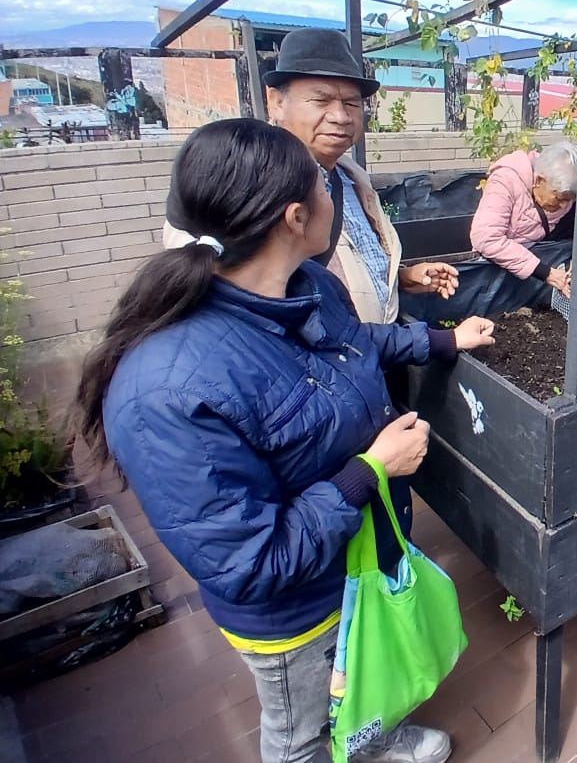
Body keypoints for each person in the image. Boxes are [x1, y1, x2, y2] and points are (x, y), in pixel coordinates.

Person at [74, 119, 496, 763]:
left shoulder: (309, 287)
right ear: (297, 215)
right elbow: (250, 564)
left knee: (355, 680)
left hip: (355, 557)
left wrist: (440, 340)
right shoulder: (167, 388)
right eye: (327, 190)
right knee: (303, 730)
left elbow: (354, 347)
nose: (338, 199)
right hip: (297, 613)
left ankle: (371, 737)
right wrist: (369, 472)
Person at [164, 27, 460, 323]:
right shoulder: (241, 184)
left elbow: (347, 268)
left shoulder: (351, 178)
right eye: (321, 101)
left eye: (351, 103)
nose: (341, 116)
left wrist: (402, 279)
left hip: (366, 355)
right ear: (277, 102)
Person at [469, 141, 577, 297]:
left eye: (570, 200)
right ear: (539, 181)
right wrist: (545, 272)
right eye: (559, 198)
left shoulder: (565, 187)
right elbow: (486, 238)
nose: (565, 205)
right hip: (498, 272)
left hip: (540, 263)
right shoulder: (506, 181)